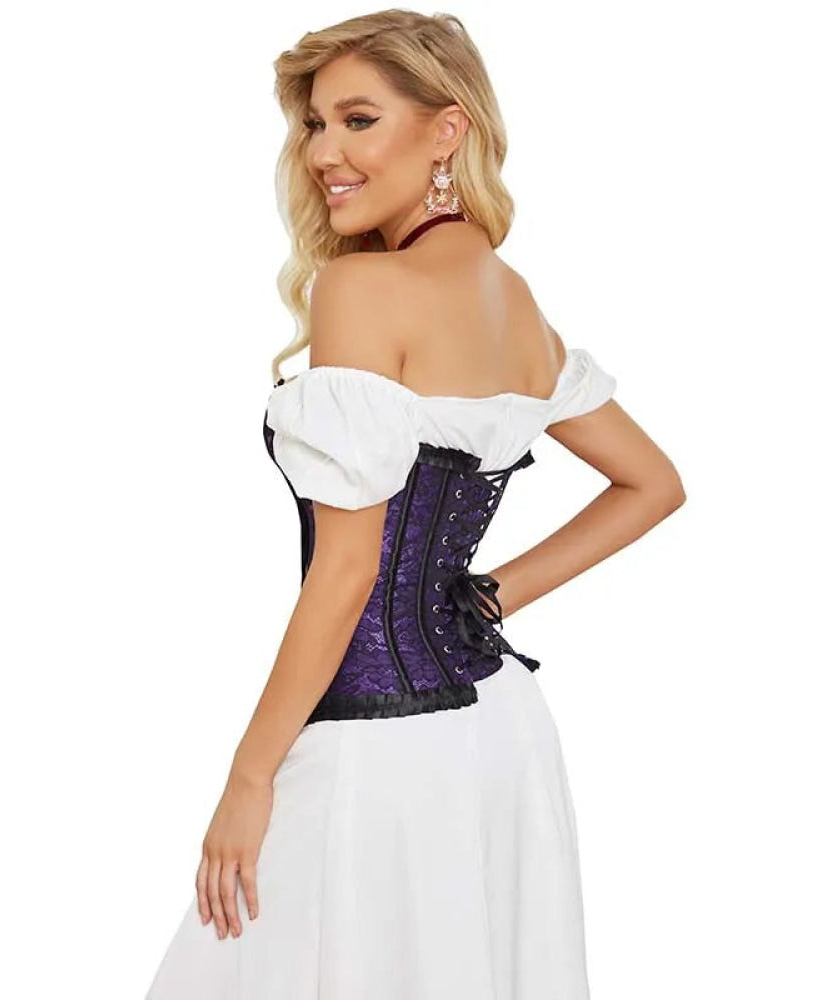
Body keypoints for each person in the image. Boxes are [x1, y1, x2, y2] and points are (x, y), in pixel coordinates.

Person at [145, 10, 685, 999]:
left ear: (447, 130)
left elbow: (347, 569)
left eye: (359, 120)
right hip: (497, 735)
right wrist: (482, 598)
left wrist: (249, 778)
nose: (324, 154)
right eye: (315, 125)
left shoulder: (359, 289)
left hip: (376, 747)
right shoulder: (513, 300)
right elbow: (652, 482)